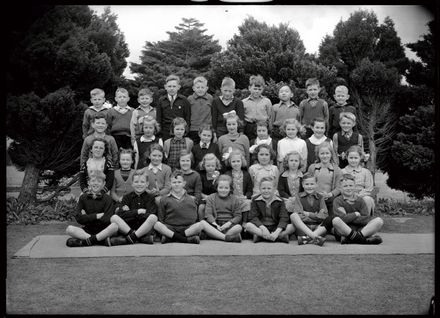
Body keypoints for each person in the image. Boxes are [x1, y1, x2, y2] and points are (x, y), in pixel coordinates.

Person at [66, 170, 118, 247]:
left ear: (103, 184)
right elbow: (78, 218)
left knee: (115, 226)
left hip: (104, 230)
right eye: (93, 181)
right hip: (88, 229)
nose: (96, 183)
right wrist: (96, 216)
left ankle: (86, 242)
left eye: (99, 181)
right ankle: (100, 241)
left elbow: (107, 219)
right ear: (89, 183)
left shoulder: (108, 199)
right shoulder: (83, 197)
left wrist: (86, 217)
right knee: (69, 229)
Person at [153, 170, 203, 244]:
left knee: (200, 225)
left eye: (179, 182)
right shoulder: (164, 199)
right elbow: (161, 218)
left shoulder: (192, 199)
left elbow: (195, 218)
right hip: (170, 227)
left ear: (184, 183)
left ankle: (171, 238)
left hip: (187, 228)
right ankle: (186, 239)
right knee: (157, 225)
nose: (177, 184)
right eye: (174, 182)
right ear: (170, 184)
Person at [109, 171, 158, 245]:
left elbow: (150, 214)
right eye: (136, 182)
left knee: (153, 217)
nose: (139, 184)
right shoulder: (126, 197)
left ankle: (127, 240)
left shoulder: (150, 197)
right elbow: (120, 214)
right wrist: (138, 211)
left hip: (144, 228)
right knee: (114, 217)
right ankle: (138, 237)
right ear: (132, 183)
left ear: (147, 184)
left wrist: (129, 213)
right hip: (129, 227)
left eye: (142, 182)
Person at [332, 174, 383, 244]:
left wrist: (348, 217)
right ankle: (363, 240)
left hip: (360, 229)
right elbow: (342, 219)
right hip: (344, 230)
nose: (348, 188)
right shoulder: (337, 201)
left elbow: (365, 219)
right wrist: (355, 214)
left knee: (379, 221)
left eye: (351, 185)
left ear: (355, 187)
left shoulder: (360, 200)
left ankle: (353, 238)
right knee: (336, 220)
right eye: (345, 186)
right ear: (340, 188)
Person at [245, 177, 291, 243]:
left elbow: (284, 217)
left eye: (269, 188)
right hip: (260, 227)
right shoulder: (255, 200)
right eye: (263, 188)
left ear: (274, 189)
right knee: (248, 225)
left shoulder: (280, 201)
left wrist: (277, 232)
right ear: (260, 189)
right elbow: (252, 216)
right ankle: (278, 237)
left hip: (275, 226)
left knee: (291, 227)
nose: (266, 191)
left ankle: (264, 236)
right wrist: (263, 228)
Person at [288, 173, 329, 246]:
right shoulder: (299, 196)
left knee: (328, 221)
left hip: (318, 228)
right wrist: (316, 216)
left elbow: (324, 215)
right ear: (303, 185)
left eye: (312, 184)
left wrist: (308, 214)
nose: (309, 186)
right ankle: (314, 237)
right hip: (304, 227)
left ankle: (306, 239)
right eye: (307, 184)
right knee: (293, 215)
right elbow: (299, 214)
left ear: (316, 184)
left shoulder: (320, 197)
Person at [200, 174, 243, 242]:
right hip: (215, 224)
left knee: (239, 227)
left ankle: (216, 236)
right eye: (221, 187)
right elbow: (208, 214)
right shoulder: (211, 197)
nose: (223, 190)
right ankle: (226, 237)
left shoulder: (234, 199)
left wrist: (228, 224)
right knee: (202, 223)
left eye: (226, 188)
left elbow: (238, 216)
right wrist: (215, 224)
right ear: (216, 187)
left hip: (229, 225)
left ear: (230, 188)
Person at [307, 142, 342, 214]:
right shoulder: (312, 167)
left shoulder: (337, 169)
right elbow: (307, 182)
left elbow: (339, 187)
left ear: (331, 154)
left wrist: (330, 194)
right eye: (322, 154)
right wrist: (315, 193)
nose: (325, 156)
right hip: (315, 197)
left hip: (330, 198)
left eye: (327, 153)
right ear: (318, 155)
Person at [341, 145, 375, 215]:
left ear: (360, 158)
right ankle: (348, 221)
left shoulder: (366, 172)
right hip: (346, 197)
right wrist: (353, 196)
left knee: (367, 199)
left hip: (362, 198)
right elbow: (339, 188)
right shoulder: (342, 172)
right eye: (351, 158)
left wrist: (359, 196)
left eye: (356, 158)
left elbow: (369, 189)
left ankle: (364, 221)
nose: (353, 160)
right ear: (347, 157)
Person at [156, 74, 191, 141]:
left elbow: (187, 118)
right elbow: (159, 119)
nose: (172, 88)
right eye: (169, 86)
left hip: (180, 132)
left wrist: (186, 132)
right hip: (165, 133)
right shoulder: (161, 101)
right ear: (165, 87)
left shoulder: (184, 100)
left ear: (178, 87)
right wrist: (160, 133)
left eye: (174, 86)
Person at [224, 150, 253, 224]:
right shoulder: (227, 174)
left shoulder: (246, 174)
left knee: (248, 203)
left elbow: (250, 190)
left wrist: (246, 196)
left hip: (242, 199)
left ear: (242, 162)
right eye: (233, 162)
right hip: (231, 199)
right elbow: (224, 189)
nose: (236, 164)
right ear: (230, 163)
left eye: (238, 161)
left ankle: (244, 223)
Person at [242, 75, 272, 141]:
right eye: (255, 89)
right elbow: (242, 117)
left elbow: (270, 117)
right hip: (249, 127)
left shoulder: (267, 101)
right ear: (249, 88)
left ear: (263, 89)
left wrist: (270, 130)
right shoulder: (244, 102)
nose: (257, 91)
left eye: (259, 89)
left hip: (263, 127)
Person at [187, 76, 213, 144]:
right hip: (193, 129)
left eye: (202, 87)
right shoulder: (190, 99)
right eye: (198, 87)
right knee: (195, 147)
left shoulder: (210, 98)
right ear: (193, 88)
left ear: (206, 88)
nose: (200, 89)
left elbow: (213, 113)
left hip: (207, 129)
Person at [197, 153, 222, 221]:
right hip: (204, 198)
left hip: (216, 198)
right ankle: (202, 225)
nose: (210, 168)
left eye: (212, 165)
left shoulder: (219, 175)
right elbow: (199, 190)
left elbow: (221, 190)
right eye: (208, 166)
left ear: (216, 166)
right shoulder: (201, 175)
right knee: (201, 207)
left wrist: (216, 179)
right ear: (204, 165)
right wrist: (205, 197)